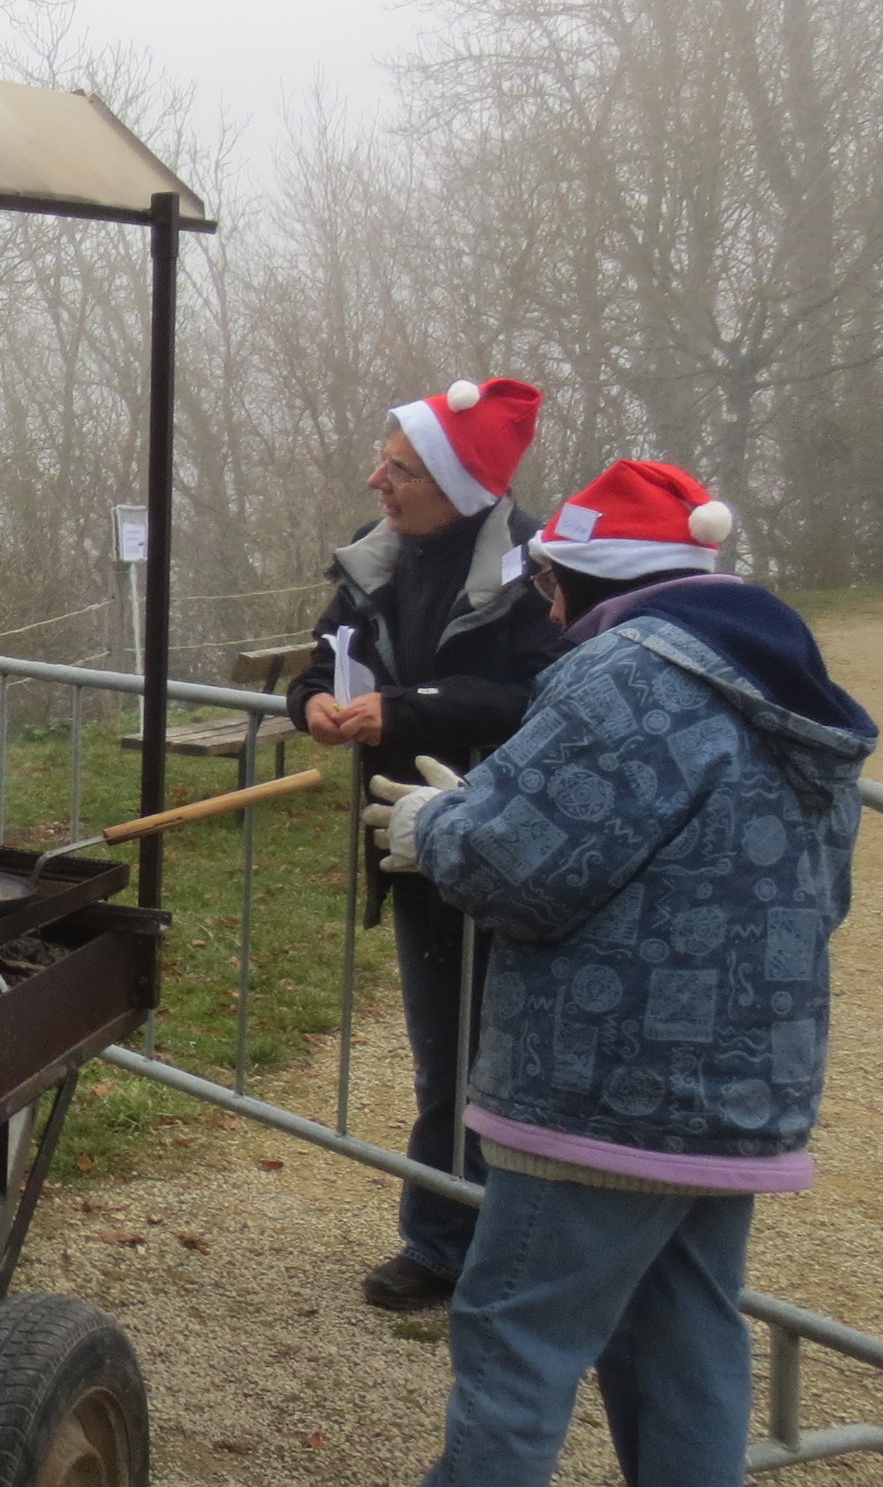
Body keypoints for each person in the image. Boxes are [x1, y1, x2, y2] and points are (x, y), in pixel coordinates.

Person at [364, 461, 872, 1486]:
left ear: (591, 576)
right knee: (682, 1334)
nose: (550, 611)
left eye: (552, 584)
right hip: (738, 1087)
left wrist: (438, 827)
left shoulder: (625, 674)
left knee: (516, 1336)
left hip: (605, 1089)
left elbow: (518, 869)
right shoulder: (783, 678)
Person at [282, 376, 568, 1313]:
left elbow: (546, 694)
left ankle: (522, 1250)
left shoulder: (538, 573)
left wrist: (404, 709)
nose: (378, 482)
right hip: (413, 845)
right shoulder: (375, 560)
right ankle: (443, 1242)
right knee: (445, 1054)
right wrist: (312, 702)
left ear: (459, 484)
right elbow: (321, 660)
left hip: (514, 843)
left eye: (400, 470)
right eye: (384, 464)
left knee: (514, 1060)